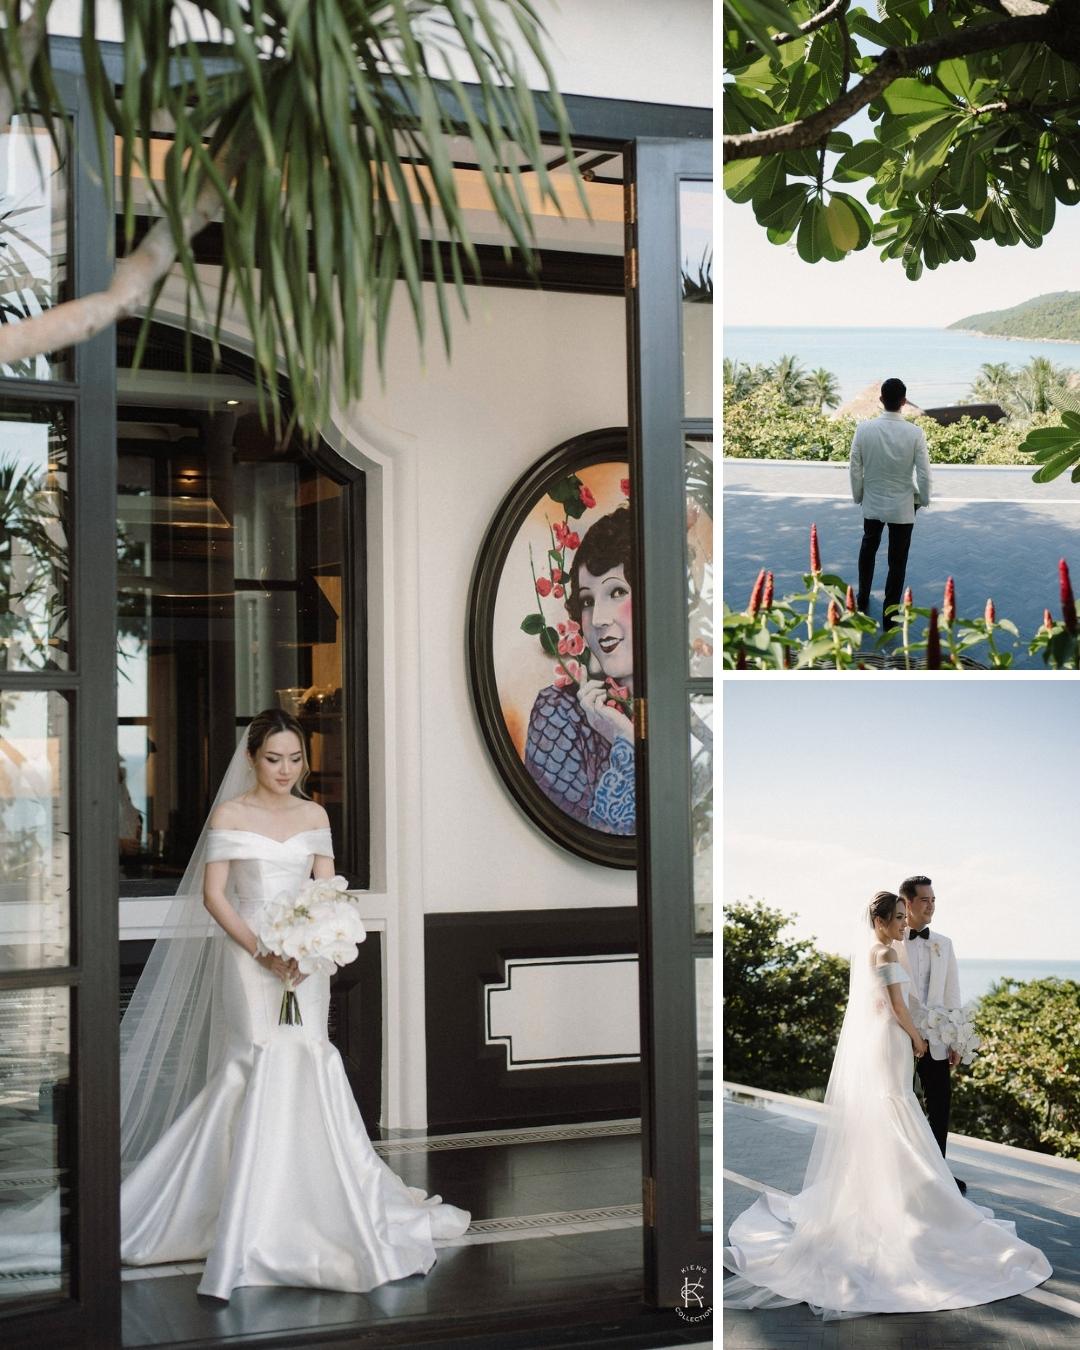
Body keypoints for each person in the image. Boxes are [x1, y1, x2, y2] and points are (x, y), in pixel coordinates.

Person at [118, 708, 470, 1300]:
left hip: (306, 959)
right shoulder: (232, 814)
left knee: (308, 1053)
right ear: (252, 759)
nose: (285, 769)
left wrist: (315, 947)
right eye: (274, 758)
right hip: (249, 952)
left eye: (295, 759)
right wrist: (261, 950)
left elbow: (327, 890)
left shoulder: (314, 813)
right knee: (253, 1058)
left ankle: (313, 1197)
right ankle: (238, 1205)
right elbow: (214, 894)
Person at [723, 891, 1050, 1320]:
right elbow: (897, 1005)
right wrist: (917, 1038)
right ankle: (911, 1196)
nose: (903, 924)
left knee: (893, 1109)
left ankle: (895, 1190)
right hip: (895, 1038)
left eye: (903, 917)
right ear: (878, 920)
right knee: (897, 1107)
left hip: (883, 1040)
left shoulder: (878, 951)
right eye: (897, 917)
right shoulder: (884, 952)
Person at [524, 507, 635, 835]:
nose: (598, 618)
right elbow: (590, 840)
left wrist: (624, 738)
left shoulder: (697, 707)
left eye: (616, 593)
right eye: (587, 600)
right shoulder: (558, 713)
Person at [894, 874, 966, 1193]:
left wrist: (956, 1040)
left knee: (939, 1103)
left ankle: (938, 1173)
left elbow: (952, 995)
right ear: (907, 903)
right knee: (899, 1101)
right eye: (925, 900)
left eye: (934, 900)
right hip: (898, 1034)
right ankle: (900, 1171)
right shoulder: (891, 942)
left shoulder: (944, 944)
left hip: (936, 1039)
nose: (931, 906)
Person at [849, 377, 932, 627]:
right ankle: (890, 613)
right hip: (903, 506)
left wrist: (858, 495)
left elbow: (855, 467)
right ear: (904, 402)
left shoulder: (864, 429)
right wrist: (924, 499)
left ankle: (862, 598)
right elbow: (924, 472)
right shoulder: (915, 433)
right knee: (897, 561)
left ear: (881, 400)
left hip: (872, 502)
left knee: (868, 549)